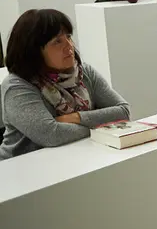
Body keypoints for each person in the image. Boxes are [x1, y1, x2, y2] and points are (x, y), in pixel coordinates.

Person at [0, 9, 130, 160]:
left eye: (68, 37)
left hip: (77, 158)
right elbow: (51, 135)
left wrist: (76, 117)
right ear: (34, 50)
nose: (69, 46)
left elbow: (123, 112)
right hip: (23, 167)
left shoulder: (84, 72)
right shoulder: (17, 86)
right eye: (57, 41)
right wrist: (101, 126)